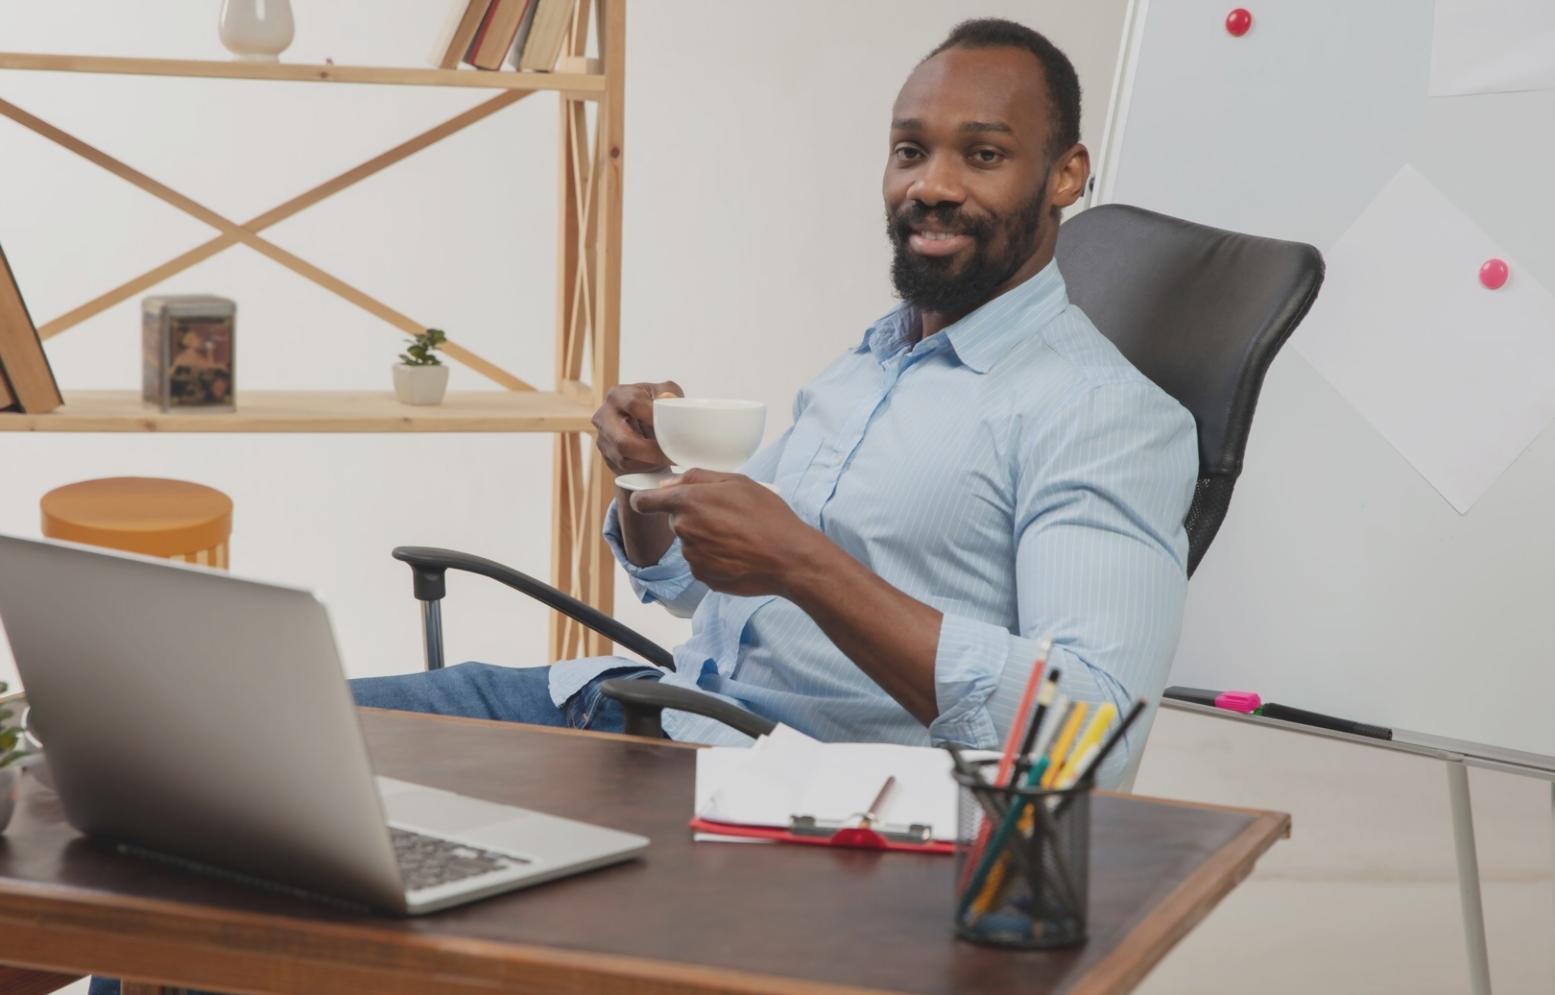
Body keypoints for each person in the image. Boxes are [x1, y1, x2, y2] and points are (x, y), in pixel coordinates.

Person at [352, 17, 1197, 789]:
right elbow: (698, 582)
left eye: (981, 155)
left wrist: (804, 563)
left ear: (1065, 175)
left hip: (775, 792)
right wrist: (649, 480)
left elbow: (1091, 734)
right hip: (643, 708)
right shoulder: (875, 358)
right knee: (268, 734)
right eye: (909, 151)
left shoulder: (1103, 416)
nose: (930, 186)